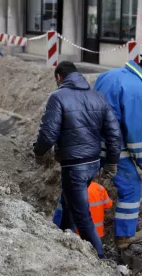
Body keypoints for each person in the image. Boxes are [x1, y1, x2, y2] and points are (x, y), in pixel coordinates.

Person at [33, 61, 122, 258]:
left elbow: (48, 135)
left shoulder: (58, 97)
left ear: (58, 77)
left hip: (74, 167)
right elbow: (114, 134)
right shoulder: (98, 97)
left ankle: (101, 260)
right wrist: (111, 163)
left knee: (82, 217)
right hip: (93, 164)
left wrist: (38, 152)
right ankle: (63, 241)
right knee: (69, 205)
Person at [93, 45, 142, 249]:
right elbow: (135, 133)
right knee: (132, 186)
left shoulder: (108, 75)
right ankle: (124, 237)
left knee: (81, 186)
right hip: (112, 149)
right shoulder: (137, 90)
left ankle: (64, 229)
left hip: (90, 144)